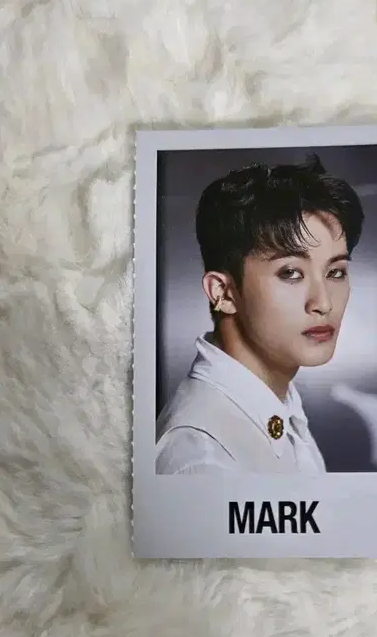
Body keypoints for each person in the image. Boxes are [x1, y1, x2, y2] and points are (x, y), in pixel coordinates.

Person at [155, 154, 364, 474]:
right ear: (223, 293)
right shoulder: (202, 457)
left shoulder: (279, 407)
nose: (324, 303)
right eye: (291, 273)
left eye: (335, 272)